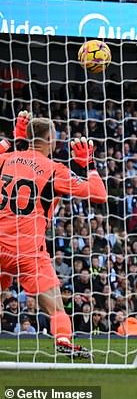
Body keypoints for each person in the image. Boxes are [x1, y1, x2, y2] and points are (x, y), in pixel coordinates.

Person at [0, 113, 107, 359]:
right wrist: (88, 164)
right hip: (28, 251)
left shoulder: (5, 160)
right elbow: (99, 194)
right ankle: (62, 340)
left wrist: (13, 142)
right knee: (56, 307)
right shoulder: (54, 169)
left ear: (26, 137)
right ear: (50, 139)